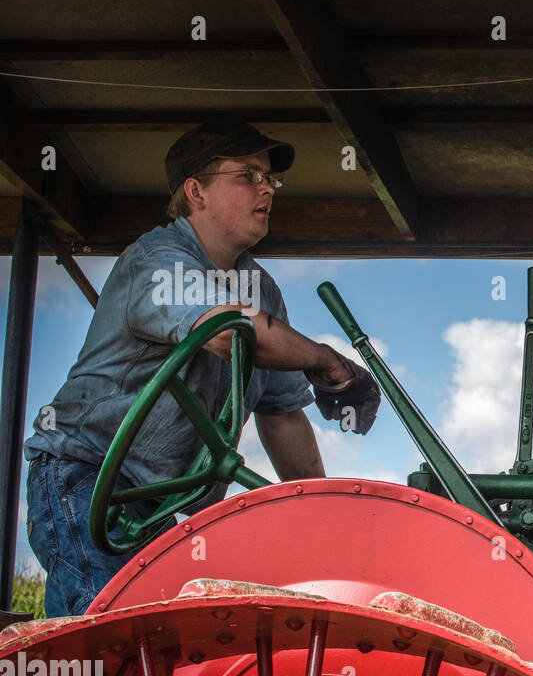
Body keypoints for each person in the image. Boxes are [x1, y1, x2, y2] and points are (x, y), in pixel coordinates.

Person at [23, 120, 381, 618]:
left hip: (163, 506)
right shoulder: (157, 263)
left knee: (167, 652)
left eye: (269, 179)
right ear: (196, 191)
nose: (266, 189)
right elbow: (227, 331)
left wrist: (317, 511)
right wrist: (328, 360)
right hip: (89, 482)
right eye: (248, 175)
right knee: (109, 639)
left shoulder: (263, 291)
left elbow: (280, 414)